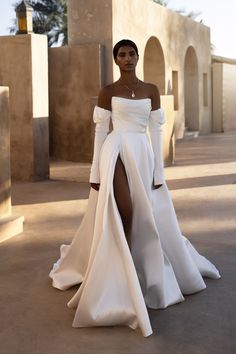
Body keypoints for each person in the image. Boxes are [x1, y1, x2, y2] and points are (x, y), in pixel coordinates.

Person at [49, 39, 220, 337]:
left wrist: (158, 170)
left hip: (142, 153)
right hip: (115, 151)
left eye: (130, 54)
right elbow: (101, 131)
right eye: (121, 55)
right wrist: (95, 172)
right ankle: (122, 276)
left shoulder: (151, 90)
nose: (126, 58)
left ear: (138, 57)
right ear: (116, 60)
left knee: (145, 214)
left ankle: (133, 272)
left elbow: (156, 132)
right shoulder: (108, 91)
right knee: (125, 210)